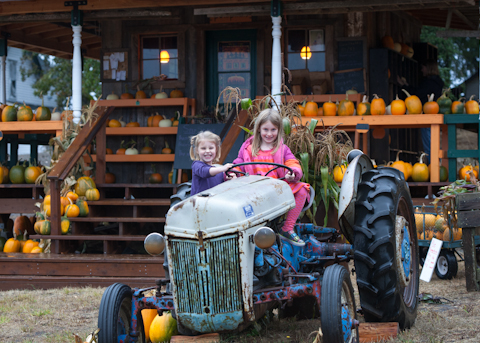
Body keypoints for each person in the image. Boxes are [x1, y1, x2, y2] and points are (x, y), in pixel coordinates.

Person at [232, 109, 310, 246]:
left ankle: (287, 228)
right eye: (265, 129)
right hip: (253, 189)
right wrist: (234, 172)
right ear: (258, 129)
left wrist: (292, 172)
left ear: (279, 130)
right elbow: (239, 163)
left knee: (303, 189)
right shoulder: (249, 148)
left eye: (273, 130)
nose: (269, 134)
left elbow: (292, 162)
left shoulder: (282, 149)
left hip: (276, 188)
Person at [397, 59, 444, 164]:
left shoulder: (429, 83)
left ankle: (434, 166)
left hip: (427, 116)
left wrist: (404, 86)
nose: (422, 70)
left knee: (429, 144)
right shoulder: (437, 82)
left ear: (428, 68)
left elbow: (417, 94)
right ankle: (436, 166)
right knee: (432, 142)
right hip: (433, 115)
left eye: (423, 67)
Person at [190, 131, 235, 196]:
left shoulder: (218, 172)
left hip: (214, 204)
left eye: (211, 148)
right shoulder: (196, 165)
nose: (207, 151)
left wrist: (230, 180)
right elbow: (205, 172)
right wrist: (222, 168)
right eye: (203, 148)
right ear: (197, 150)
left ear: (216, 149)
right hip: (199, 204)